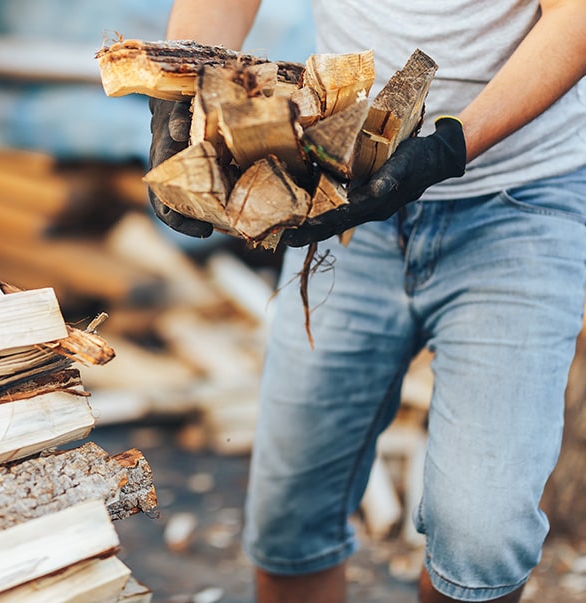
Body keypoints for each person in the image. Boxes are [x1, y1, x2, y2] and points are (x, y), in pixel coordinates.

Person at [147, 1, 586, 602]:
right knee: (289, 523)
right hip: (345, 198)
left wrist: (451, 146)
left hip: (520, 203)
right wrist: (181, 97)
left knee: (482, 537)